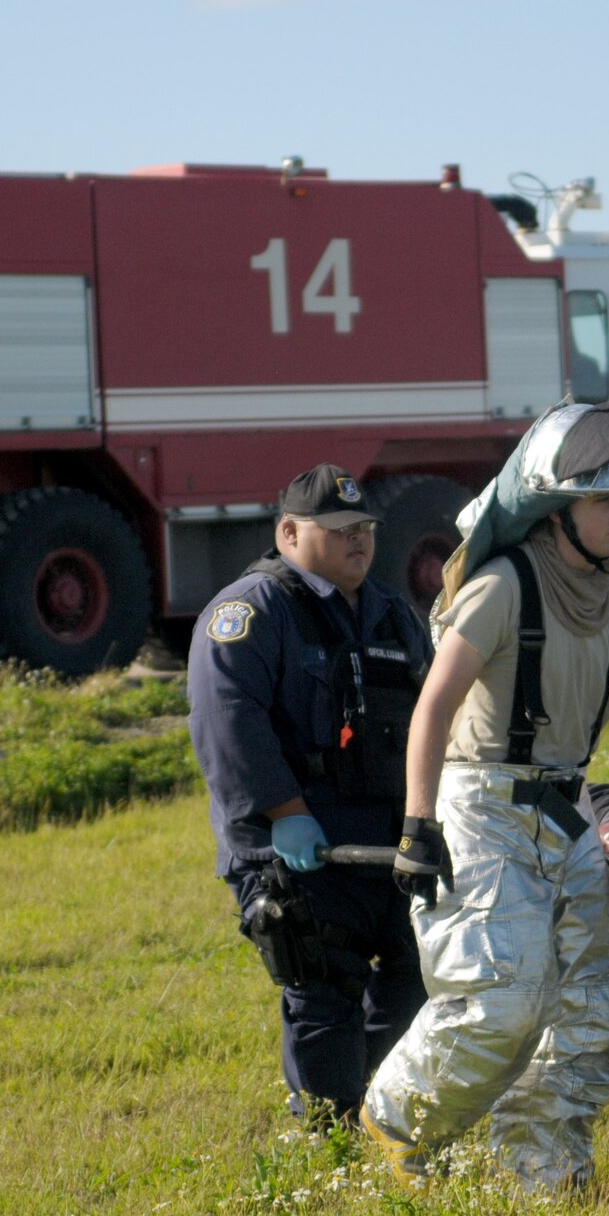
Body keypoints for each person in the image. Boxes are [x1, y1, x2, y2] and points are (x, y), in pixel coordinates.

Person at [362, 402, 609, 1193]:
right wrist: (416, 825)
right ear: (554, 507)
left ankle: (540, 1171)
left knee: (588, 1016)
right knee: (501, 1001)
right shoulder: (504, 586)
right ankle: (395, 1124)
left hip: (567, 813)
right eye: (603, 499)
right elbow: (434, 707)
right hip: (483, 803)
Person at [187, 464, 434, 1127]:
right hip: (296, 850)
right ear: (290, 532)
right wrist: (286, 815)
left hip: (383, 844)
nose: (358, 541)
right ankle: (328, 1132)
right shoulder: (250, 612)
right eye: (340, 530)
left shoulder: (387, 612)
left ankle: (372, 1103)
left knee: (419, 972)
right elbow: (227, 723)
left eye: (365, 529)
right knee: (325, 986)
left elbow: (434, 711)